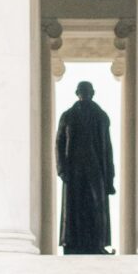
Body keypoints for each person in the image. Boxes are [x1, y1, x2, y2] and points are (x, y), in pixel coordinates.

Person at [54, 81, 115, 254]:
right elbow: (59, 143)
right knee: (76, 206)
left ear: (93, 93)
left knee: (96, 205)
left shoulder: (101, 117)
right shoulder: (67, 116)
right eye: (82, 91)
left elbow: (108, 148)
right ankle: (72, 244)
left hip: (96, 167)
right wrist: (62, 169)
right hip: (74, 169)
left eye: (87, 91)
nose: (85, 94)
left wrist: (110, 178)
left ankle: (97, 243)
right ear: (77, 93)